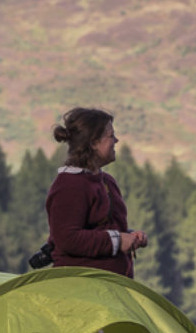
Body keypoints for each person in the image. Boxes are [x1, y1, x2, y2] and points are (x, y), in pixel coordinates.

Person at [45, 107, 147, 278]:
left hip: (108, 288)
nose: (116, 140)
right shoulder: (69, 186)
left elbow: (102, 229)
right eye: (110, 136)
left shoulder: (106, 181)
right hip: (81, 289)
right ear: (93, 143)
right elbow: (67, 238)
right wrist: (118, 240)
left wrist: (130, 236)